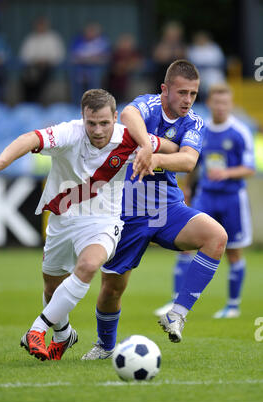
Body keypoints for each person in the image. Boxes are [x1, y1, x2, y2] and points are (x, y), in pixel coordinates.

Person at [0, 88, 175, 361]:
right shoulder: (69, 133)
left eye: (105, 122)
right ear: (83, 118)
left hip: (104, 220)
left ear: (116, 117)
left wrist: (151, 153)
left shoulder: (129, 138)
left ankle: (37, 329)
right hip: (63, 219)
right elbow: (29, 138)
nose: (98, 130)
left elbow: (172, 149)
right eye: (92, 123)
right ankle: (63, 334)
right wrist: (4, 160)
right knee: (51, 287)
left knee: (90, 266)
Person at [81, 60, 228, 360]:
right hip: (127, 212)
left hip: (167, 208)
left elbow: (188, 161)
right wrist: (148, 145)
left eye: (194, 94)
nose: (188, 100)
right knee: (112, 289)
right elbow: (127, 112)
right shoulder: (147, 105)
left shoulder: (194, 122)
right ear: (164, 90)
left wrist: (155, 157)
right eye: (182, 92)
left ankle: (177, 313)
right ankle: (105, 346)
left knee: (217, 237)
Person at [155, 84, 255, 319]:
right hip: (205, 196)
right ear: (209, 104)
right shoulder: (202, 130)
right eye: (216, 102)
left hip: (232, 198)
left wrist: (227, 174)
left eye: (225, 103)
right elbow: (194, 162)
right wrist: (187, 187)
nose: (220, 107)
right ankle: (175, 301)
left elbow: (250, 167)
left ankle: (232, 305)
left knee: (233, 252)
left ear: (230, 105)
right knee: (185, 247)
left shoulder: (240, 131)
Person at [19, 17, 66, 103]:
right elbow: (24, 56)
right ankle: (28, 103)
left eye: (42, 25)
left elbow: (59, 55)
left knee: (41, 77)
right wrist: (36, 61)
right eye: (38, 25)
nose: (40, 27)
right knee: (26, 78)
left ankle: (39, 102)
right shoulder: (31, 38)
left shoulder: (53, 38)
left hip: (49, 67)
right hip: (32, 66)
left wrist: (46, 61)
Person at [69, 22, 111, 104]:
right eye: (88, 31)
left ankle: (95, 103)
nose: (90, 33)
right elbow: (73, 58)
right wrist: (89, 59)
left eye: (93, 31)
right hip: (80, 69)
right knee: (76, 74)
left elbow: (106, 58)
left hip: (97, 69)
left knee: (95, 74)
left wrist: (91, 60)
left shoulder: (102, 42)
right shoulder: (78, 41)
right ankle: (77, 103)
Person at [187, 31, 226, 102]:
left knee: (218, 83)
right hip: (200, 75)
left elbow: (221, 63)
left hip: (215, 74)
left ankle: (219, 102)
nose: (201, 40)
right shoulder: (192, 49)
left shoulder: (214, 47)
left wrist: (206, 65)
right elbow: (191, 65)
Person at [106, 33, 143, 103]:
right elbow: (117, 70)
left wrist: (125, 66)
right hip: (115, 83)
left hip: (131, 80)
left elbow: (139, 64)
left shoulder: (134, 53)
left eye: (128, 43)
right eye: (124, 42)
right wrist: (128, 66)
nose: (126, 45)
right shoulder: (116, 54)